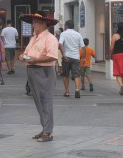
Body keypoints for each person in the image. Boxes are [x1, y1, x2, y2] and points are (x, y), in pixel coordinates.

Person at [19, 12, 58, 142]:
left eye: (35, 22)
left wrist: (35, 60)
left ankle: (47, 131)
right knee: (39, 102)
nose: (33, 24)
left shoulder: (50, 38)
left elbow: (52, 56)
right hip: (33, 70)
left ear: (43, 24)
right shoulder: (34, 38)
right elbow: (27, 53)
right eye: (33, 22)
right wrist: (23, 56)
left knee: (45, 101)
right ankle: (45, 129)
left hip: (43, 71)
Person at [59, 20, 85, 98]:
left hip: (66, 57)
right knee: (77, 75)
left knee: (65, 75)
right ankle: (77, 89)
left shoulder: (63, 34)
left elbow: (60, 44)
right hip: (76, 58)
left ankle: (67, 92)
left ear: (66, 26)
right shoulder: (78, 34)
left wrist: (63, 54)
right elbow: (83, 48)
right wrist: (83, 58)